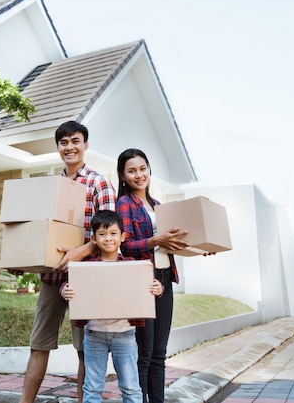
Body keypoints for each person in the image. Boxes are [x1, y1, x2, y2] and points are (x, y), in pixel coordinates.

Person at [18, 120, 116, 403]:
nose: (69, 147)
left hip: (86, 277)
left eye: (75, 141)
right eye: (64, 142)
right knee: (38, 345)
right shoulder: (52, 186)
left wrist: (82, 251)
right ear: (58, 148)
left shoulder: (99, 183)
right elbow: (37, 229)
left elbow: (110, 234)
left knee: (85, 348)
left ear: (86, 144)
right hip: (52, 277)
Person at [60, 210, 163, 403]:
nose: (108, 238)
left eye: (113, 233)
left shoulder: (132, 265)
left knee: (130, 387)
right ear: (94, 238)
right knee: (92, 387)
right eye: (102, 234)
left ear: (123, 237)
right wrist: (65, 290)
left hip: (124, 334)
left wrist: (158, 288)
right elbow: (69, 284)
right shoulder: (86, 266)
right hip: (94, 334)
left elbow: (151, 284)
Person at [115, 148, 189, 403]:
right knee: (144, 352)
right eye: (132, 171)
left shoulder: (157, 205)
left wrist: (203, 248)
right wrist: (153, 240)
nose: (139, 175)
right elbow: (123, 246)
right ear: (123, 176)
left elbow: (175, 243)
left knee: (160, 352)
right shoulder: (124, 204)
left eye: (143, 168)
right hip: (143, 280)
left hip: (165, 278)